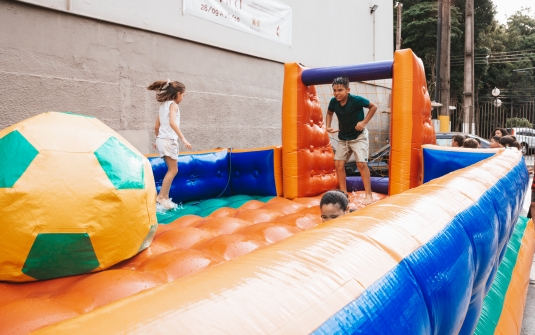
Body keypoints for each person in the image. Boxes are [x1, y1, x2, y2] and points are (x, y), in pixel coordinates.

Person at [326, 77, 378, 205]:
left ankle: (368, 194)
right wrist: (328, 126)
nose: (337, 93)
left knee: (361, 164)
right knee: (338, 164)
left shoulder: (356, 100)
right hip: (344, 137)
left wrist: (364, 123)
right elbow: (329, 113)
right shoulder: (333, 102)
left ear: (348, 90)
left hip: (358, 136)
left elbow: (374, 107)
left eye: (340, 90)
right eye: (334, 90)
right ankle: (343, 194)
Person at [147, 79, 193, 209]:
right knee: (173, 170)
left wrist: (158, 140)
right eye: (183, 95)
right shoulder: (173, 105)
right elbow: (172, 122)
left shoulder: (163, 106)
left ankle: (165, 198)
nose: (183, 98)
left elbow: (156, 126)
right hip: (168, 140)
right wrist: (183, 138)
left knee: (172, 169)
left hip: (162, 140)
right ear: (178, 94)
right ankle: (161, 197)